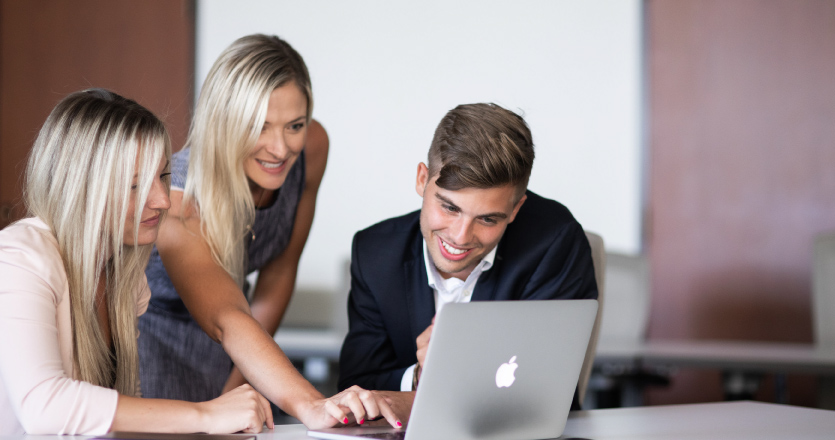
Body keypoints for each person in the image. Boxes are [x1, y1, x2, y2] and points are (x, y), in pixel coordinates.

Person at [138, 34, 401, 428]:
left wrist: (239, 386)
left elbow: (280, 269)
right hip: (157, 346)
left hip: (246, 343)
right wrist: (312, 404)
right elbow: (225, 316)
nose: (280, 149)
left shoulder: (312, 147)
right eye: (259, 127)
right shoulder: (180, 198)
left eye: (294, 124)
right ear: (224, 122)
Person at [0, 89, 275, 435]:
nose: (162, 200)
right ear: (81, 188)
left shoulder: (126, 276)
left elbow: (116, 418)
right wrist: (205, 415)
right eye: (135, 185)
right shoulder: (20, 258)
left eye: (162, 176)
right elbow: (44, 406)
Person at [338, 103, 598, 411]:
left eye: (488, 219)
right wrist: (423, 376)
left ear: (515, 210)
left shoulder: (555, 242)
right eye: (449, 208)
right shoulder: (375, 254)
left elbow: (548, 389)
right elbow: (356, 386)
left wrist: (451, 374)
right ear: (422, 179)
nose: (460, 237)